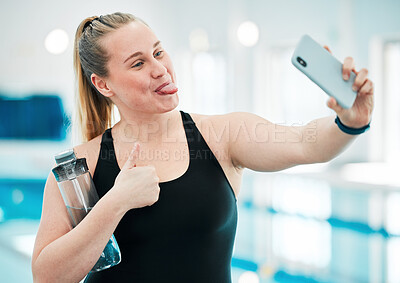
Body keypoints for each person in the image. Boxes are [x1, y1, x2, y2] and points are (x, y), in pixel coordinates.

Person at [31, 12, 374, 283]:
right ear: (102, 84)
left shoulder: (222, 135)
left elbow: (304, 143)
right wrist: (116, 202)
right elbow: (46, 277)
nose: (160, 70)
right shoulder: (81, 164)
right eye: (138, 63)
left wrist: (350, 122)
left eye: (159, 52)